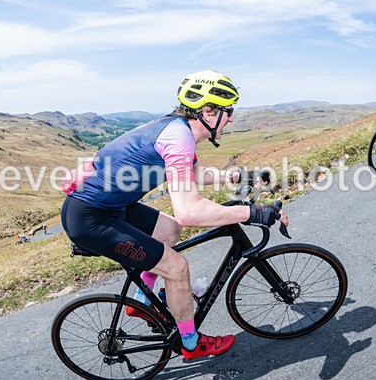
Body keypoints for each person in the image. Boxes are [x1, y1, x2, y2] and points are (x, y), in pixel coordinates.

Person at [60, 69, 288, 360]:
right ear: (209, 111)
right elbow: (189, 211)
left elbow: (193, 174)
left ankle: (142, 301)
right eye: (228, 111)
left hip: (107, 207)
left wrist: (238, 176)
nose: (231, 118)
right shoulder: (178, 138)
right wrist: (252, 213)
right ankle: (191, 343)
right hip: (91, 219)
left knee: (168, 231)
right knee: (176, 268)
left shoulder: (177, 128)